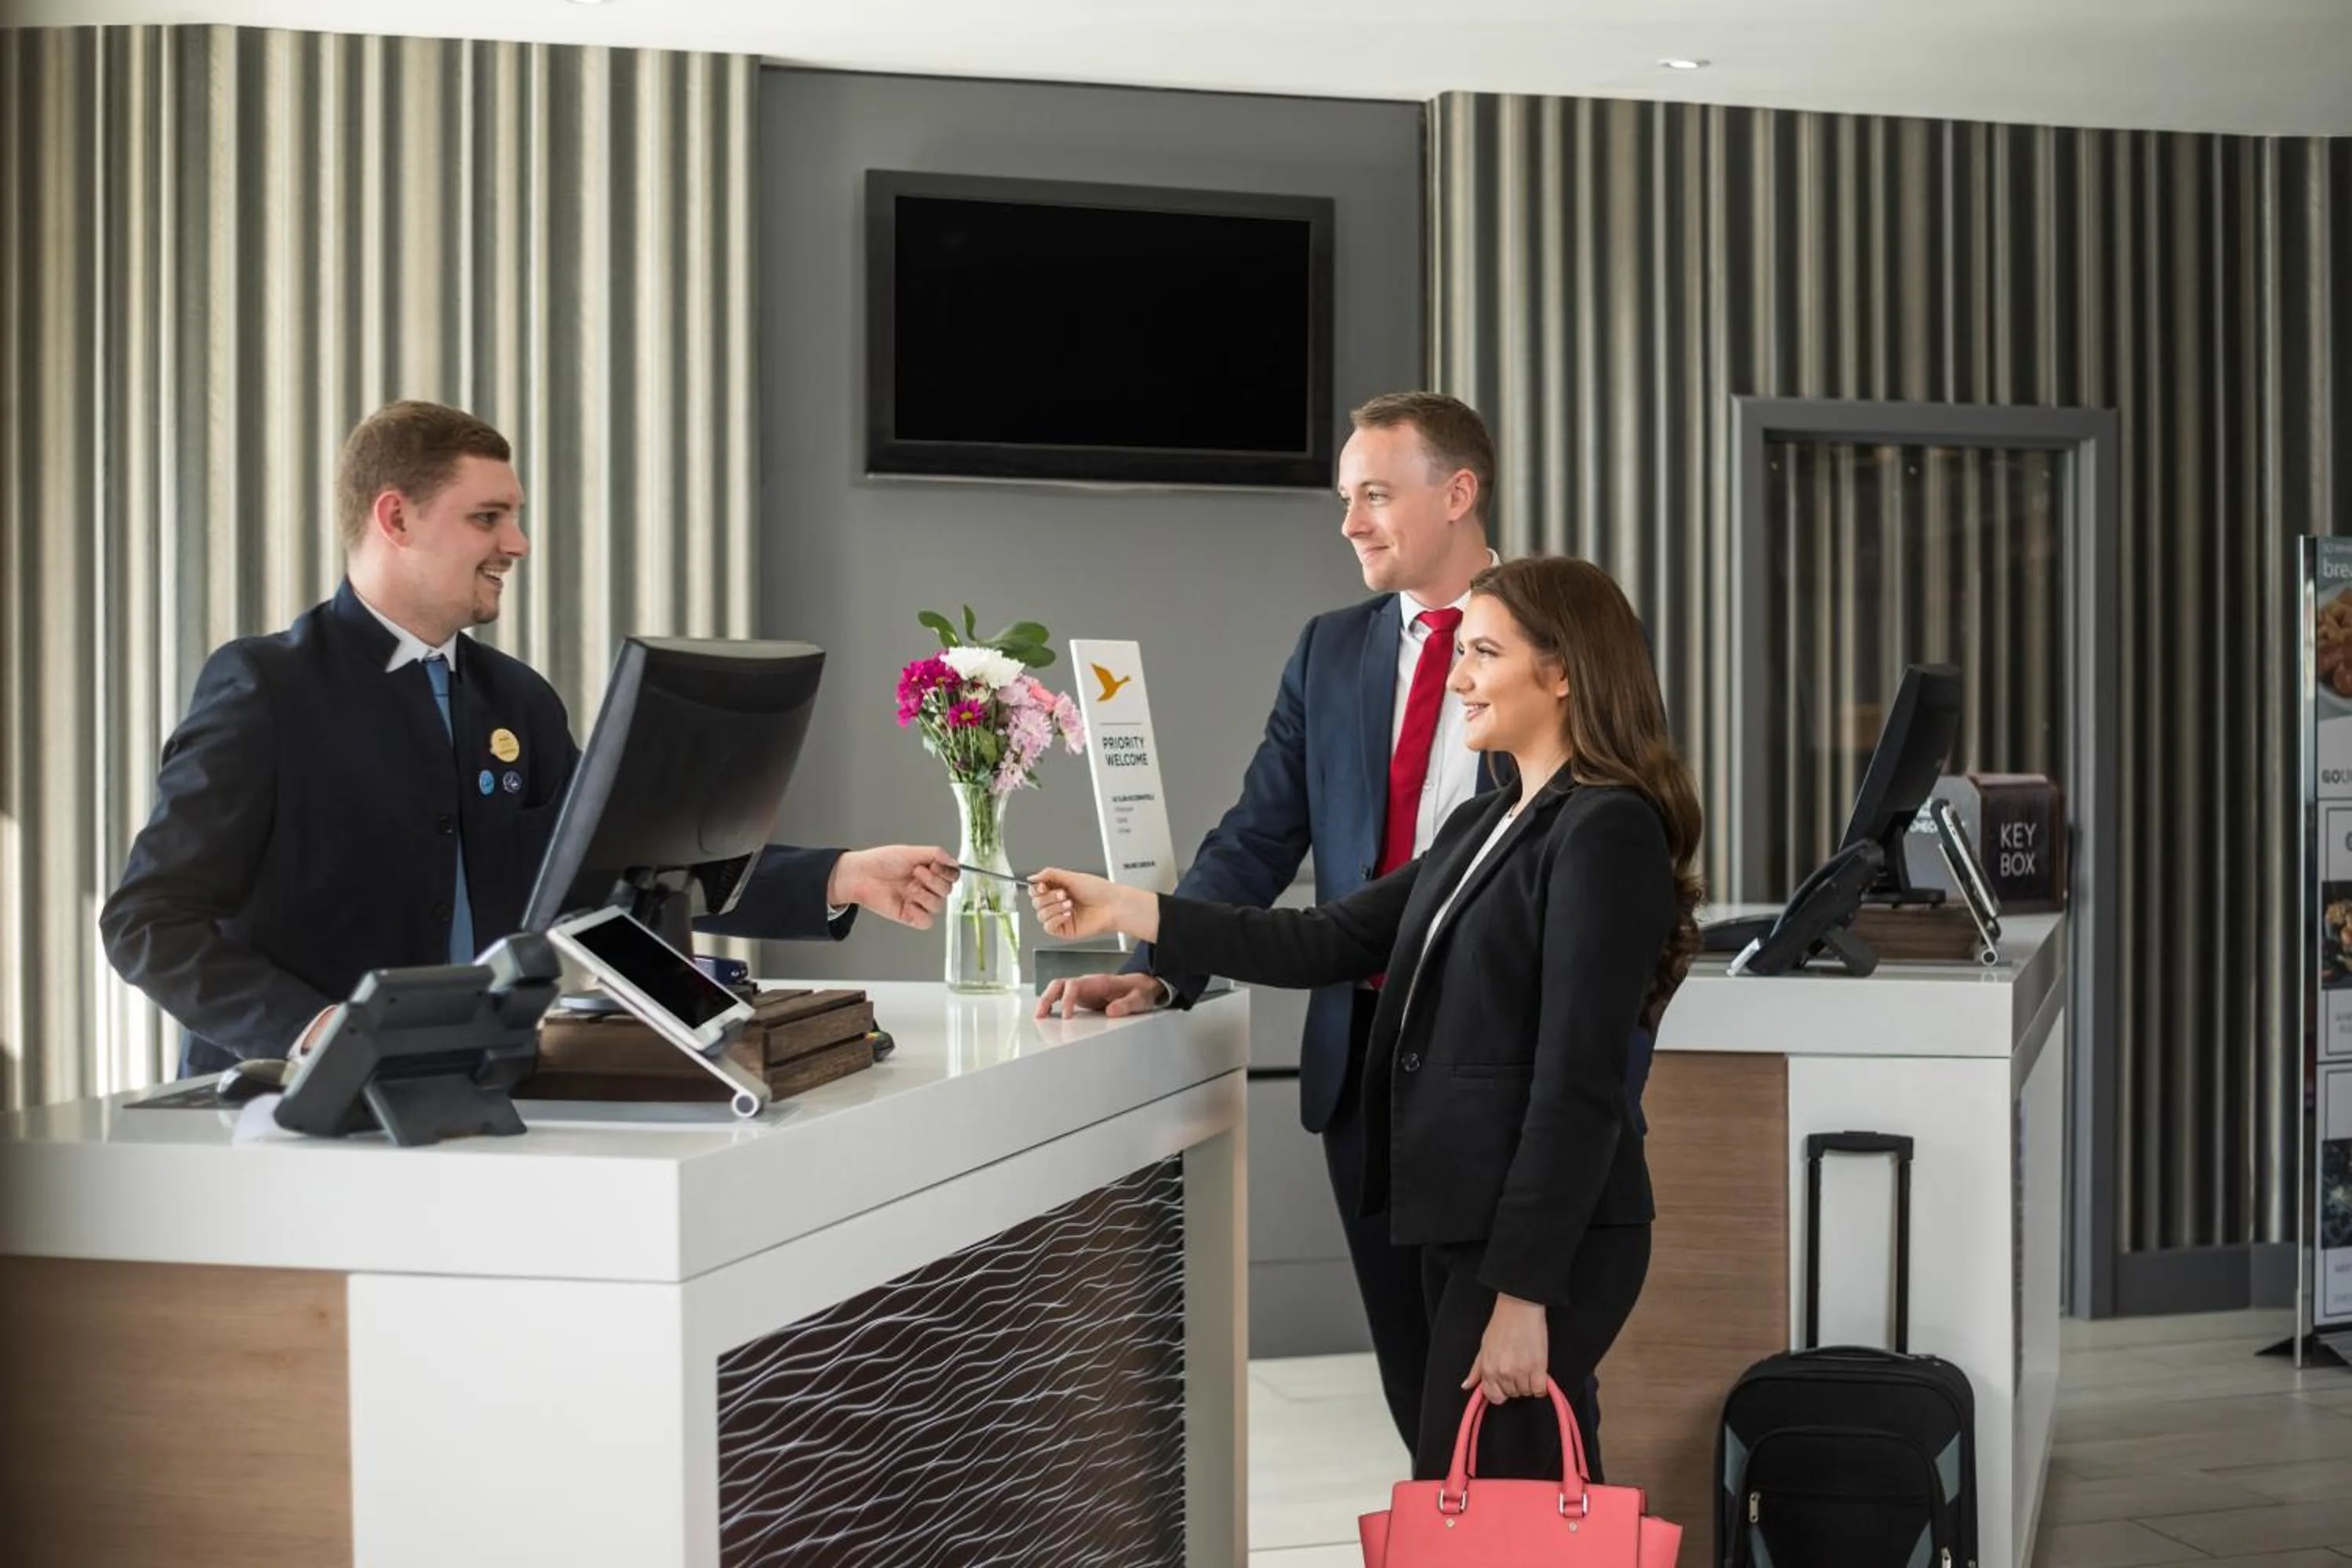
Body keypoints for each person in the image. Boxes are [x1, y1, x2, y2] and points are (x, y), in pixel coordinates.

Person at [1029, 556, 1702, 1483]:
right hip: (1468, 1216)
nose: (1458, 674)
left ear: (1562, 672)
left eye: (1483, 653)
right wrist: (1134, 916)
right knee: (1492, 1494)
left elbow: (1577, 1080)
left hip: (1540, 1241)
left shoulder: (1607, 830)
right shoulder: (1489, 820)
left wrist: (1523, 1290)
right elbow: (1321, 940)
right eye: (1461, 650)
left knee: (1482, 1497)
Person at [102, 400, 957, 1076]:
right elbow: (149, 921)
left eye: (513, 516)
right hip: (291, 1111)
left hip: (474, 1091)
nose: (518, 542)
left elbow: (621, 873)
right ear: (395, 518)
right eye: (488, 517)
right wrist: (312, 1027)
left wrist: (841, 875)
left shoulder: (517, 701)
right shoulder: (267, 687)